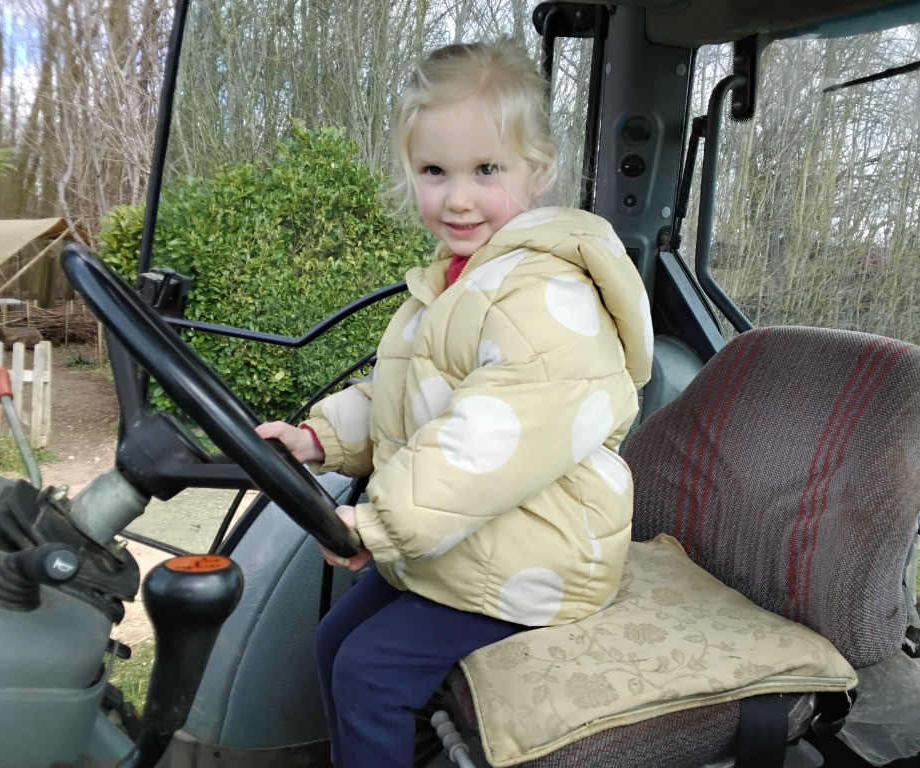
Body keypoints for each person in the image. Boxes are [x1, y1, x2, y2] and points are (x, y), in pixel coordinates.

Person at [256, 37, 653, 768]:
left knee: (371, 672)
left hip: (541, 554)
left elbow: (485, 444)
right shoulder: (458, 281)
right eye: (435, 171)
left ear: (538, 173)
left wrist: (377, 523)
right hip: (473, 540)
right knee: (334, 641)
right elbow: (406, 393)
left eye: (486, 170)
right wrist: (319, 440)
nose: (457, 196)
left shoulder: (546, 294)